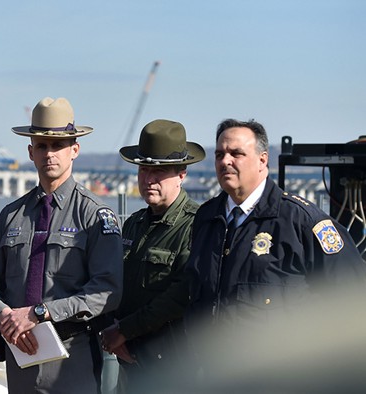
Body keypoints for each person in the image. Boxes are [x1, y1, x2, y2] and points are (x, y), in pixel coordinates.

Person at [184, 119, 366, 382]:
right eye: (220, 154)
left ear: (262, 160)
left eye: (237, 153)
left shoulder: (301, 222)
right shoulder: (206, 219)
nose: (225, 161)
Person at [0, 97, 123, 393]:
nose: (49, 153)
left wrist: (40, 313)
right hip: (20, 356)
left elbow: (107, 290)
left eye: (58, 145)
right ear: (30, 152)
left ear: (75, 150)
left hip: (71, 359)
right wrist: (5, 314)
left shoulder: (94, 215)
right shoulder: (12, 215)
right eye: (42, 145)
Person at [99, 119, 204, 391]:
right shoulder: (133, 224)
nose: (148, 180)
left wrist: (123, 332)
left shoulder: (197, 225)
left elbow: (180, 296)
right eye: (143, 170)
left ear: (182, 174)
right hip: (130, 363)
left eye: (160, 172)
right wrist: (114, 334)